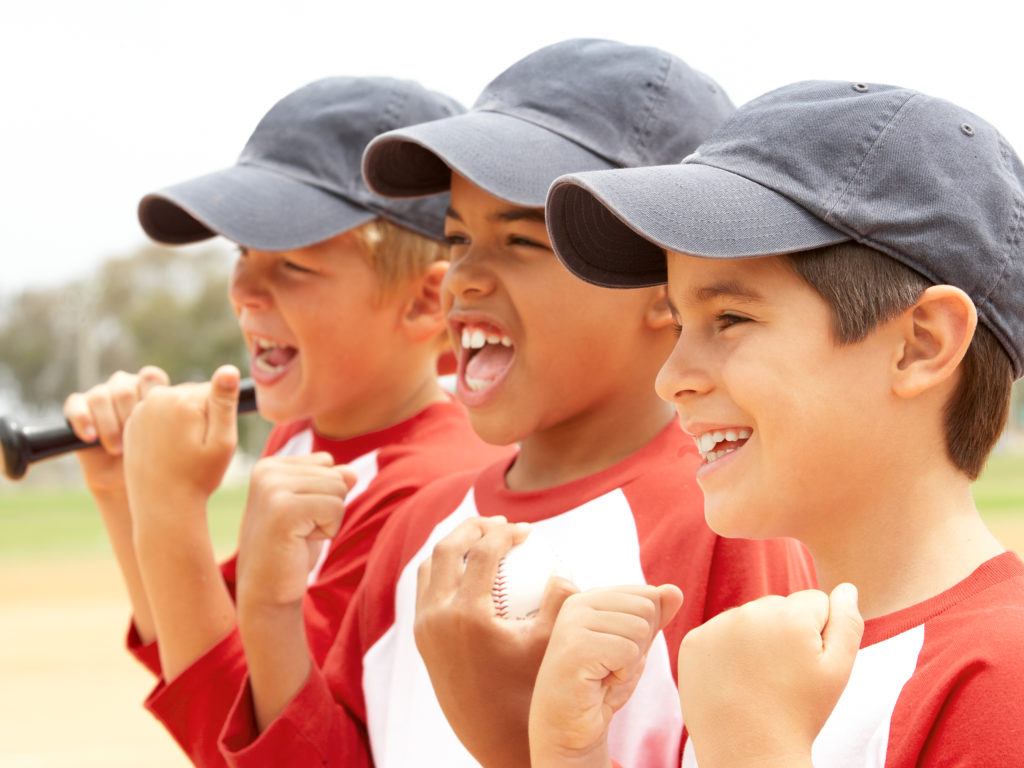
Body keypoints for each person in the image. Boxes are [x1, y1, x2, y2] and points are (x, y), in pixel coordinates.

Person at [216, 39, 816, 768]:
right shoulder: (419, 531)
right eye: (458, 237)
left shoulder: (729, 528)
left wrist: (511, 735)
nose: (461, 277)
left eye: (523, 241)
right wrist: (272, 616)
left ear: (664, 288)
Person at [532, 79, 1024, 766]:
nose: (672, 377)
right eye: (678, 321)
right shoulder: (764, 665)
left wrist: (753, 749)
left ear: (921, 345)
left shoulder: (1002, 679)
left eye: (730, 318)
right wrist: (572, 755)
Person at [63, 76, 511, 768]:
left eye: (294, 266)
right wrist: (125, 493)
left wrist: (170, 512)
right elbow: (203, 661)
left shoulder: (429, 490)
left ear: (427, 304)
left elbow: (235, 737)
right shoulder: (309, 433)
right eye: (243, 254)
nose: (242, 291)